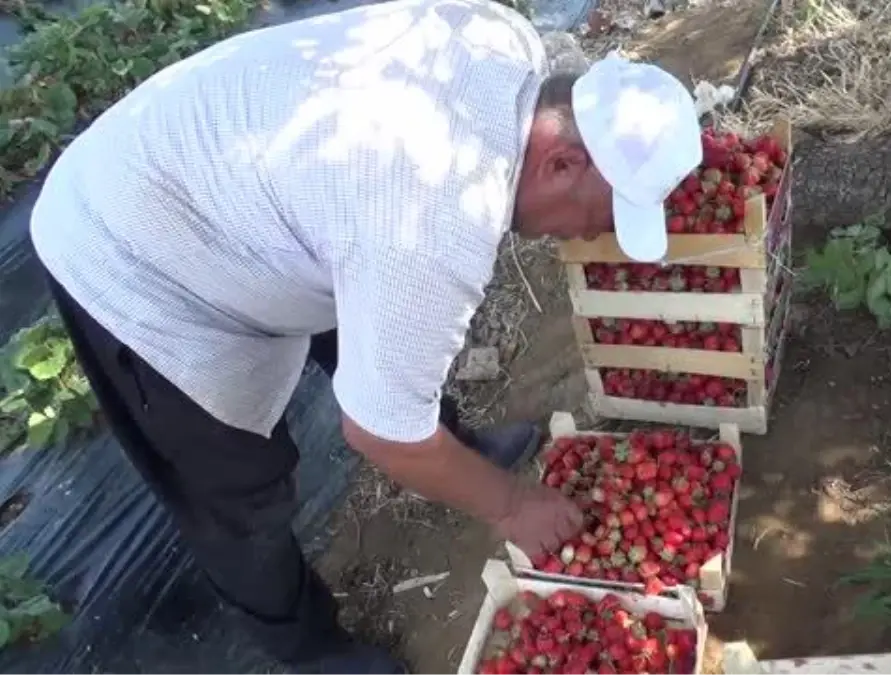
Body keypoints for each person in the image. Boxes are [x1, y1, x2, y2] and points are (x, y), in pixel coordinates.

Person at [28, 0, 702, 671]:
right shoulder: (432, 220)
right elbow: (379, 433)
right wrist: (513, 503)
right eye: (600, 214)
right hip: (129, 242)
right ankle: (308, 644)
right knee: (237, 485)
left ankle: (456, 446)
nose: (589, 235)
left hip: (257, 176)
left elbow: (387, 258)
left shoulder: (505, 41)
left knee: (387, 330)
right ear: (563, 163)